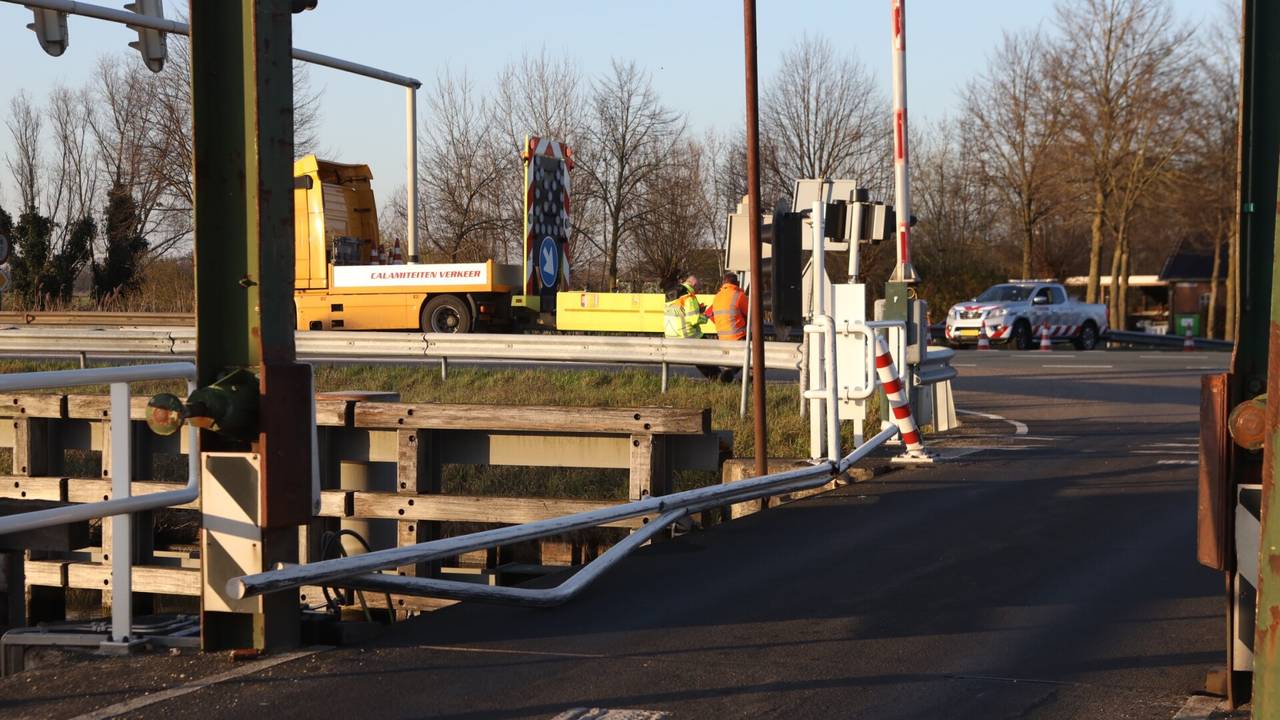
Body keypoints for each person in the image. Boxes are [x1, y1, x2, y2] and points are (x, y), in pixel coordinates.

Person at [663, 275, 719, 379]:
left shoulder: (672, 294)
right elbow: (694, 319)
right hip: (687, 335)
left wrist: (698, 310)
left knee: (700, 357)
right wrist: (705, 316)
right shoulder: (689, 297)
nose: (698, 291)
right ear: (694, 285)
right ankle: (717, 377)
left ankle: (715, 377)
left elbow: (680, 313)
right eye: (698, 288)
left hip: (671, 335)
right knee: (709, 350)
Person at [707, 272, 749, 382]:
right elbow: (751, 313)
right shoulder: (739, 296)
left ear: (724, 283)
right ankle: (741, 378)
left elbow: (709, 313)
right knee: (754, 355)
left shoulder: (717, 297)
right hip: (738, 335)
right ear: (737, 283)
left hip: (722, 336)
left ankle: (730, 375)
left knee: (739, 359)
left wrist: (721, 324)